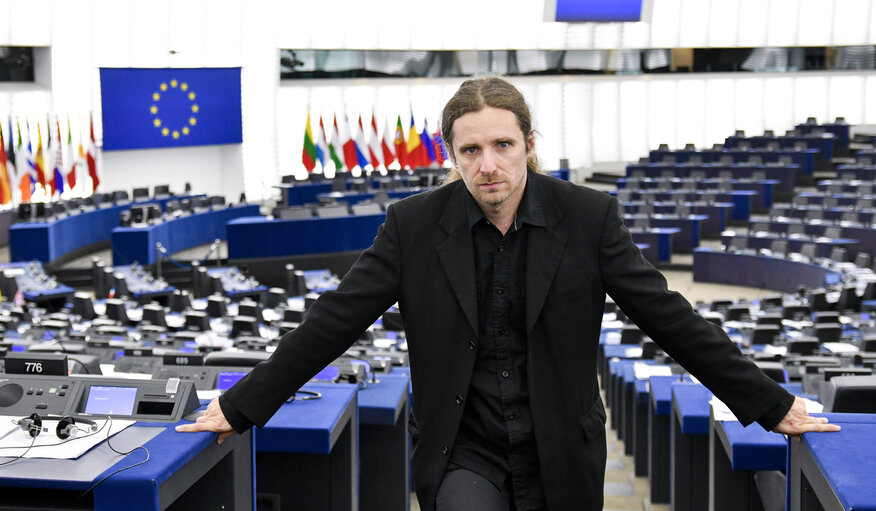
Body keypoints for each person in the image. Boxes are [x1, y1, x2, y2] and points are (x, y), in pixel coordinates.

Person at [178, 76, 839, 510]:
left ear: (528, 143)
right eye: (470, 150)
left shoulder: (588, 217)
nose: (487, 164)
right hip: (463, 446)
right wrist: (241, 406)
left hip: (561, 446)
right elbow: (333, 321)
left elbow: (669, 317)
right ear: (452, 155)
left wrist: (770, 402)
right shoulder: (411, 227)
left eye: (501, 144)